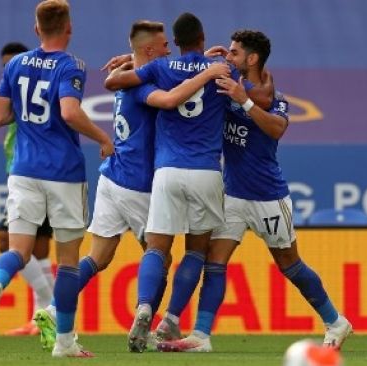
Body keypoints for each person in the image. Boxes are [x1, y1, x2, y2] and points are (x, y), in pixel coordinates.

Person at [32, 19, 231, 352]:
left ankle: (53, 309)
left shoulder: (126, 81)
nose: (170, 50)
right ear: (151, 50)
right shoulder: (143, 88)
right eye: (164, 46)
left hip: (111, 177)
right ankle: (149, 316)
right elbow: (171, 98)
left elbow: (156, 69)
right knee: (162, 258)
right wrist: (206, 71)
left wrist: (198, 60)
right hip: (138, 184)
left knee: (97, 258)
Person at [156, 30, 352, 353]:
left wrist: (242, 100)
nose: (228, 57)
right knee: (214, 261)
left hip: (269, 197)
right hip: (231, 194)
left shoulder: (275, 98)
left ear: (252, 59)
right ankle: (201, 335)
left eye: (234, 53)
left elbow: (276, 127)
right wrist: (201, 63)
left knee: (290, 264)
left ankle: (335, 322)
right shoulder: (226, 85)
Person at [104, 13, 272, 353]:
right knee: (196, 250)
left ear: (175, 43)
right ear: (202, 38)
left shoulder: (159, 69)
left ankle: (144, 308)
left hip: (166, 172)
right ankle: (170, 318)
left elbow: (113, 83)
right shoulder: (222, 72)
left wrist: (126, 62)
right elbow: (265, 98)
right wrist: (233, 72)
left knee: (156, 248)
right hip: (207, 172)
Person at [0, 0, 113, 358]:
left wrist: (27, 113)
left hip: (23, 171)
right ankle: (65, 342)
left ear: (36, 29)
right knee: (67, 261)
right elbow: (69, 112)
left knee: (18, 250)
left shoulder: (16, 64)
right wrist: (102, 138)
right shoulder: (71, 65)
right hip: (63, 172)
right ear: (69, 27)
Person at [0, 42, 56, 337]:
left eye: (12, 64)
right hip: (32, 175)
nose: (7, 70)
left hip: (33, 176)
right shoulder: (16, 94)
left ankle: (47, 307)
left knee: (7, 242)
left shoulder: (29, 98)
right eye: (4, 65)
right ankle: (41, 319)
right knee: (40, 251)